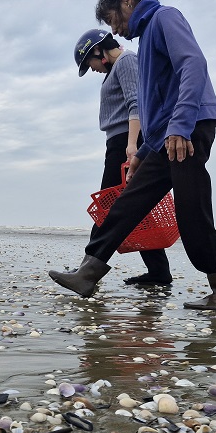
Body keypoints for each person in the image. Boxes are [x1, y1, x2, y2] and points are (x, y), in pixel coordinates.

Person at [49, 0, 216, 311]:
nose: (117, 30)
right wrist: (145, 151)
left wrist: (181, 126)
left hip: (189, 126)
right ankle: (88, 273)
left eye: (113, 20)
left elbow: (193, 64)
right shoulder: (147, 38)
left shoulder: (165, 17)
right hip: (166, 135)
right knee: (129, 202)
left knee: (191, 209)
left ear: (127, 1)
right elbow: (157, 103)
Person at [73, 28, 171, 285]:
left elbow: (136, 103)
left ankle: (88, 268)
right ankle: (159, 272)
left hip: (127, 141)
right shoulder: (115, 68)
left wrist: (131, 146)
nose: (92, 68)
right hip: (119, 141)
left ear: (98, 50)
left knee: (108, 206)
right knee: (135, 206)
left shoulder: (126, 61)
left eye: (89, 63)